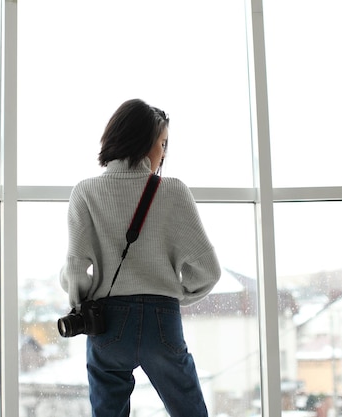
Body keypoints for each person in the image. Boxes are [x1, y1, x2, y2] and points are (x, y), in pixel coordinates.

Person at [60, 98, 221, 417]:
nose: (164, 152)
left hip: (107, 320)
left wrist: (81, 301)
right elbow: (208, 270)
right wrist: (177, 296)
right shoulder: (174, 191)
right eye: (163, 143)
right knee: (189, 409)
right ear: (145, 142)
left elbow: (77, 268)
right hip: (162, 319)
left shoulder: (86, 191)